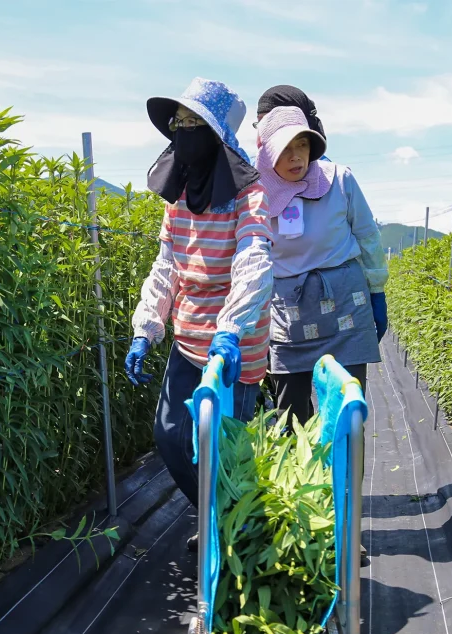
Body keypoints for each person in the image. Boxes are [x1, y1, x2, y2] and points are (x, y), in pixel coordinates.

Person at [124, 78, 274, 549]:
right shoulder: (180, 198)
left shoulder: (248, 197)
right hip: (188, 344)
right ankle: (221, 520)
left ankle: (239, 539)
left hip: (234, 351)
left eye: (194, 124)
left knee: (228, 450)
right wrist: (146, 327)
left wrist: (229, 331)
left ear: (216, 136)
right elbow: (166, 266)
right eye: (178, 124)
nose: (184, 132)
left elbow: (254, 263)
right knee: (171, 436)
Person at [253, 86, 388, 429]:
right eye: (285, 148)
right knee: (292, 416)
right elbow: (250, 258)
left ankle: (345, 484)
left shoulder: (339, 180)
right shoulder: (256, 197)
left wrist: (377, 291)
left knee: (347, 414)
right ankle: (307, 482)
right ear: (267, 153)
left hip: (345, 305)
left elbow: (368, 236)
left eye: (303, 145)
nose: (296, 156)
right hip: (288, 314)